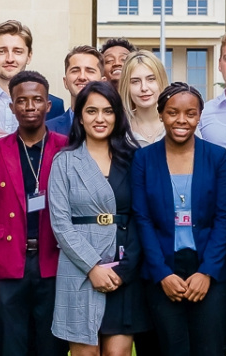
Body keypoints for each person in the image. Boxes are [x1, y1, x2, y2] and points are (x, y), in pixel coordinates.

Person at [0, 70, 72, 356]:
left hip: (53, 263)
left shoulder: (66, 148)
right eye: (22, 101)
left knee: (50, 346)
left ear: (48, 105)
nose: (30, 107)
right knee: (10, 346)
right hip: (8, 266)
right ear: (11, 106)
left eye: (37, 100)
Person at [133, 82, 226, 356]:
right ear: (161, 114)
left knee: (210, 348)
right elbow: (142, 220)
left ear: (199, 116)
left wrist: (207, 271)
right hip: (163, 269)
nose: (181, 120)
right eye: (172, 112)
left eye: (190, 113)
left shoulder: (217, 157)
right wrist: (162, 273)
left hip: (208, 269)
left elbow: (224, 218)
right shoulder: (143, 159)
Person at [47, 79, 147, 355]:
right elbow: (60, 224)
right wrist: (92, 267)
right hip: (79, 268)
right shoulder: (64, 162)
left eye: (108, 111)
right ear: (80, 116)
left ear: (117, 115)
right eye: (91, 111)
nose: (100, 119)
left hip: (123, 268)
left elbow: (143, 217)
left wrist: (125, 269)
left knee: (117, 352)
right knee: (86, 352)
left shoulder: (134, 158)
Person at [0, 20, 68, 131]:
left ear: (29, 56)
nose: (10, 59)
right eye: (1, 51)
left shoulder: (54, 106)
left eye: (17, 51)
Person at [49, 45, 105, 134]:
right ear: (65, 82)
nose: (82, 77)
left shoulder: (117, 129)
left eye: (90, 71)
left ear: (103, 82)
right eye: (75, 70)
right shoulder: (47, 130)